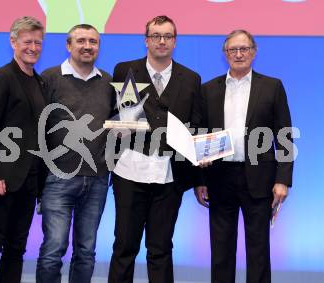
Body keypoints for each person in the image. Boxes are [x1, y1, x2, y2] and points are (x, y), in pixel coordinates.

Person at [193, 29, 294, 283]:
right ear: (225, 54)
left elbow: (284, 135)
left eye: (244, 49)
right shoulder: (208, 89)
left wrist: (283, 179)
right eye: (232, 50)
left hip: (259, 178)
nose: (238, 54)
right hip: (219, 177)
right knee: (220, 250)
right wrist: (200, 179)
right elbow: (200, 134)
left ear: (254, 51)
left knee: (259, 250)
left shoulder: (272, 86)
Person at [108, 15, 202, 283]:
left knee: (160, 249)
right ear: (146, 40)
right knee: (124, 247)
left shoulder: (191, 79)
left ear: (175, 41)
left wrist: (199, 171)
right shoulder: (124, 70)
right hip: (129, 171)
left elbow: (196, 126)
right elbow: (116, 114)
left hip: (169, 176)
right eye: (156, 36)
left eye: (168, 36)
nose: (162, 41)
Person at [36, 24, 116, 283]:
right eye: (81, 40)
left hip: (97, 179)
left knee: (86, 251)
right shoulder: (49, 78)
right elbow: (37, 125)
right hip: (57, 178)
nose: (87, 46)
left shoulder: (108, 82)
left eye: (93, 42)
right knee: (53, 250)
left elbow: (119, 122)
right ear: (68, 45)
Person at [0, 16, 46, 283]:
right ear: (13, 42)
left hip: (28, 182)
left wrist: (40, 184)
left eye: (38, 42)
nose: (33, 47)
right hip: (0, 179)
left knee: (16, 249)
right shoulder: (2, 78)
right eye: (28, 41)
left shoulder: (40, 83)